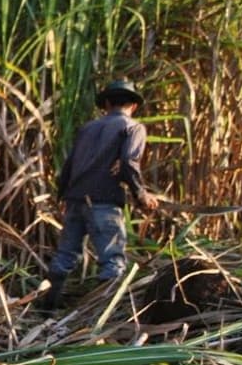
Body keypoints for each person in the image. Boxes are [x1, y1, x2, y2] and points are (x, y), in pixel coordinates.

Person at [39, 79, 159, 310]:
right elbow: (128, 162)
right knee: (113, 262)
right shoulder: (133, 127)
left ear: (105, 104)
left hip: (75, 199)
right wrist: (141, 195)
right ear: (133, 106)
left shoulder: (88, 128)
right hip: (103, 201)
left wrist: (62, 196)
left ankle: (47, 308)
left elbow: (69, 166)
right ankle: (104, 317)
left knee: (64, 257)